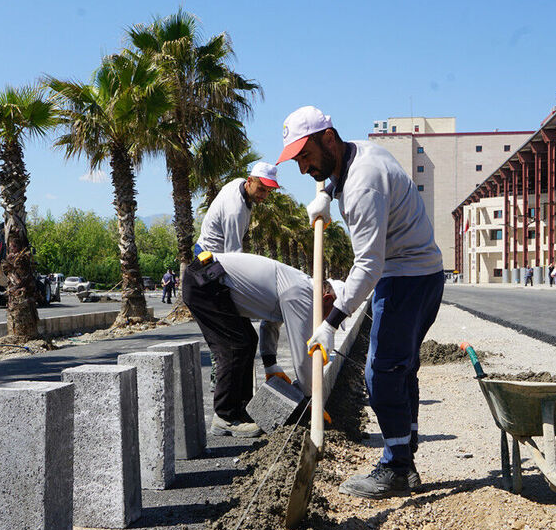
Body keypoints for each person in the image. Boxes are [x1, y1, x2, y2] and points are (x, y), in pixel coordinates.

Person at [278, 105, 444, 499]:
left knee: (381, 373)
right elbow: (344, 174)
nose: (303, 169)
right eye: (297, 160)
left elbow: (369, 265)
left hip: (406, 277)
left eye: (306, 156)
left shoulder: (363, 185)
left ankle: (396, 469)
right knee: (400, 369)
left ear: (329, 138)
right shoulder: (360, 154)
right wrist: (329, 195)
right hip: (422, 274)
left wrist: (331, 322)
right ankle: (406, 455)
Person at [185, 251, 343, 419]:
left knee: (248, 340)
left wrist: (271, 365)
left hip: (211, 281)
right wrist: (311, 398)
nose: (330, 320)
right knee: (235, 346)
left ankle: (241, 410)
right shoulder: (303, 296)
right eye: (333, 314)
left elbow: (270, 322)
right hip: (205, 283)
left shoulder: (299, 286)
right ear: (326, 299)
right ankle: (227, 417)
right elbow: (302, 355)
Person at [195, 161, 280, 255]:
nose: (264, 195)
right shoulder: (235, 211)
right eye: (261, 189)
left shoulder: (239, 182)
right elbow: (233, 254)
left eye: (269, 191)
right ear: (249, 181)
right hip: (210, 255)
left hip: (211, 250)